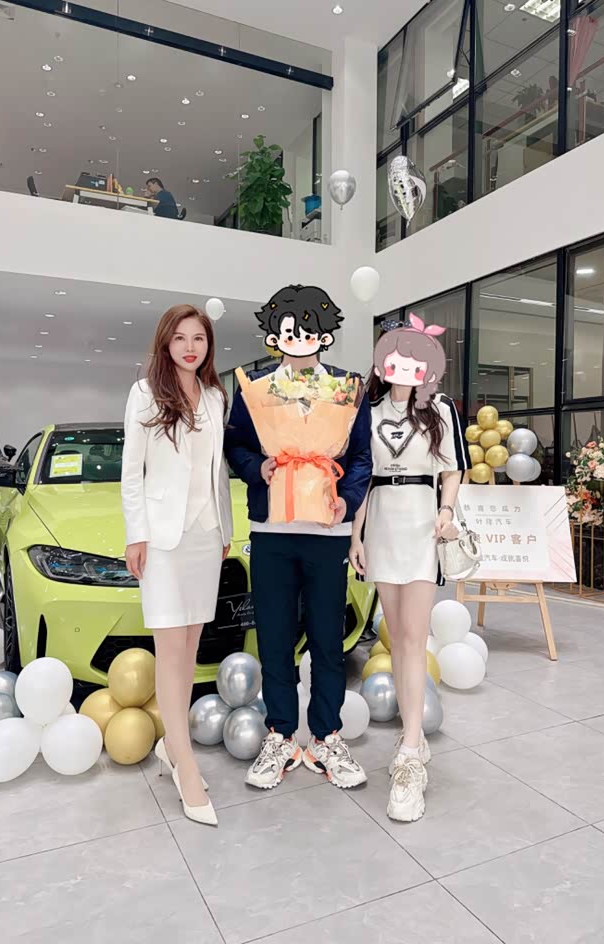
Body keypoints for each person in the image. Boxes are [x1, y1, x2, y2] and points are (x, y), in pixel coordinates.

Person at [224, 285, 372, 790]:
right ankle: (282, 734)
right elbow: (235, 445)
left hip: (328, 532)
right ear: (274, 335)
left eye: (308, 329)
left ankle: (327, 735)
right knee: (274, 636)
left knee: (329, 639)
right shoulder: (256, 389)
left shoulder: (348, 389)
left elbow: (361, 457)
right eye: (288, 330)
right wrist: (256, 467)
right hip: (271, 531)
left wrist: (346, 500)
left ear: (325, 335)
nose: (298, 337)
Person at [349, 314, 468, 823]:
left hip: (422, 523)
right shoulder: (368, 411)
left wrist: (446, 511)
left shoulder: (440, 410)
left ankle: (411, 752)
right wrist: (355, 534)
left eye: (415, 360)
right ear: (383, 363)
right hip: (381, 523)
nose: (405, 367)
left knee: (415, 638)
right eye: (397, 358)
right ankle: (410, 736)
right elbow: (362, 476)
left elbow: (453, 469)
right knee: (397, 635)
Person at [121, 304, 233, 827]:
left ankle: (172, 743)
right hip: (163, 541)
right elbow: (133, 473)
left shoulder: (214, 396)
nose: (190, 347)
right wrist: (136, 535)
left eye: (199, 338)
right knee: (169, 648)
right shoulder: (145, 394)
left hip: (206, 537)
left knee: (189, 647)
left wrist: (225, 528)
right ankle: (185, 762)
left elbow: (217, 469)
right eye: (181, 338)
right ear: (166, 342)